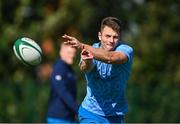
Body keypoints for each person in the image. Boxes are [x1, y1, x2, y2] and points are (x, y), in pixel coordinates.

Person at [62, 16, 133, 123]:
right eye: (108, 36)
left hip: (115, 116)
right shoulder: (90, 49)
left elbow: (111, 58)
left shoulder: (126, 50)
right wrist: (88, 61)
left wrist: (81, 45)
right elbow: (84, 68)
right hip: (90, 113)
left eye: (115, 37)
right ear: (100, 36)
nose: (111, 40)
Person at [46, 43, 79, 123]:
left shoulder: (69, 69)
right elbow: (63, 92)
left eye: (74, 53)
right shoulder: (59, 67)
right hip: (58, 118)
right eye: (69, 53)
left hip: (70, 117)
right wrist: (78, 109)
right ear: (61, 53)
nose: (72, 56)